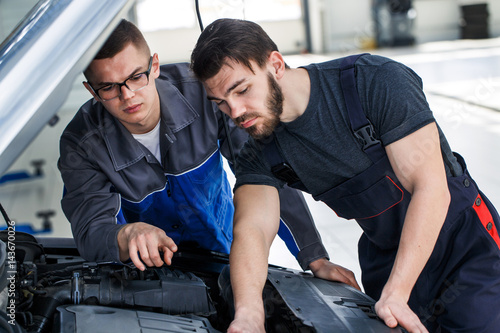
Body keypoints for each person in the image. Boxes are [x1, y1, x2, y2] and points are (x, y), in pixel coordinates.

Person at [190, 18, 500, 333]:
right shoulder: (260, 150)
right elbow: (252, 229)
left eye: (242, 90)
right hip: (386, 260)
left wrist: (397, 292)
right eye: (221, 104)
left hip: (463, 251)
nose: (236, 111)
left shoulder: (374, 82)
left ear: (276, 64)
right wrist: (249, 315)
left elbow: (431, 189)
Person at [57, 19, 342, 279]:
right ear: (91, 91)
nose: (127, 95)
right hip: (143, 275)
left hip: (221, 249)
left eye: (136, 77)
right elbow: (90, 232)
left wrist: (314, 258)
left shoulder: (206, 95)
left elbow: (267, 173)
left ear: (154, 65)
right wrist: (126, 234)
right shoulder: (81, 145)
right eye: (108, 87)